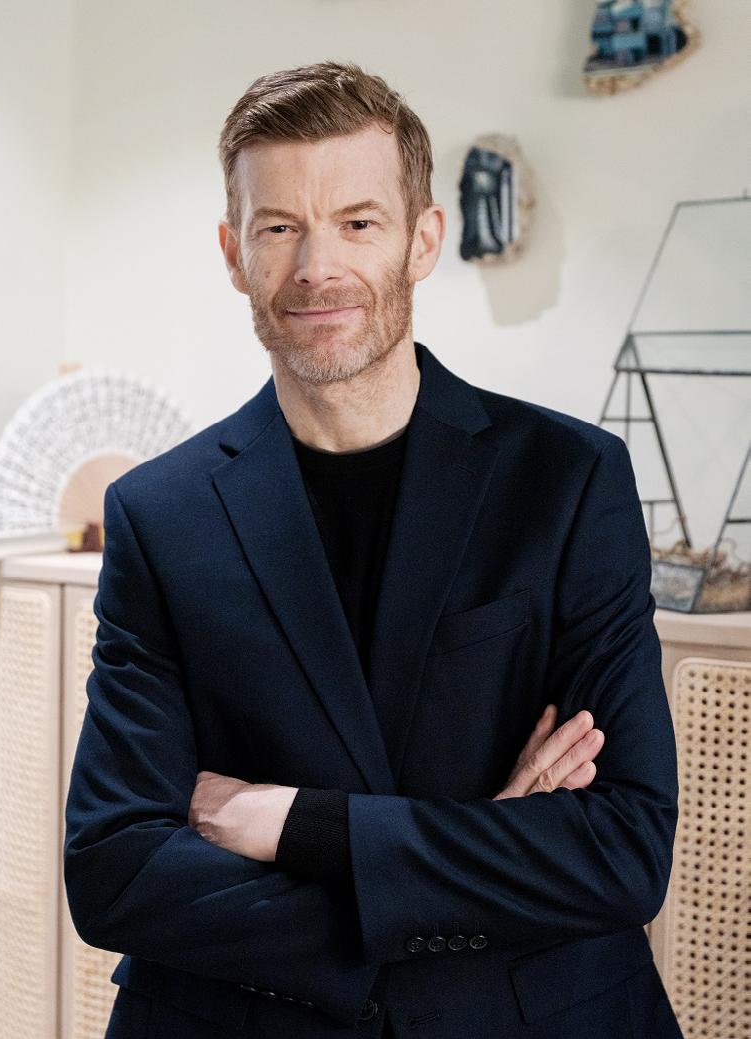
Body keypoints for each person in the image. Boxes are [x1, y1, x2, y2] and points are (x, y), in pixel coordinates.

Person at [63, 60, 683, 1038]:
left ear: (422, 239)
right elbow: (114, 869)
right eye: (279, 228)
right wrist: (477, 855)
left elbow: (622, 847)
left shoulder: (569, 481)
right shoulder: (158, 514)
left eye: (357, 222)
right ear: (233, 251)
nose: (317, 267)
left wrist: (293, 823)